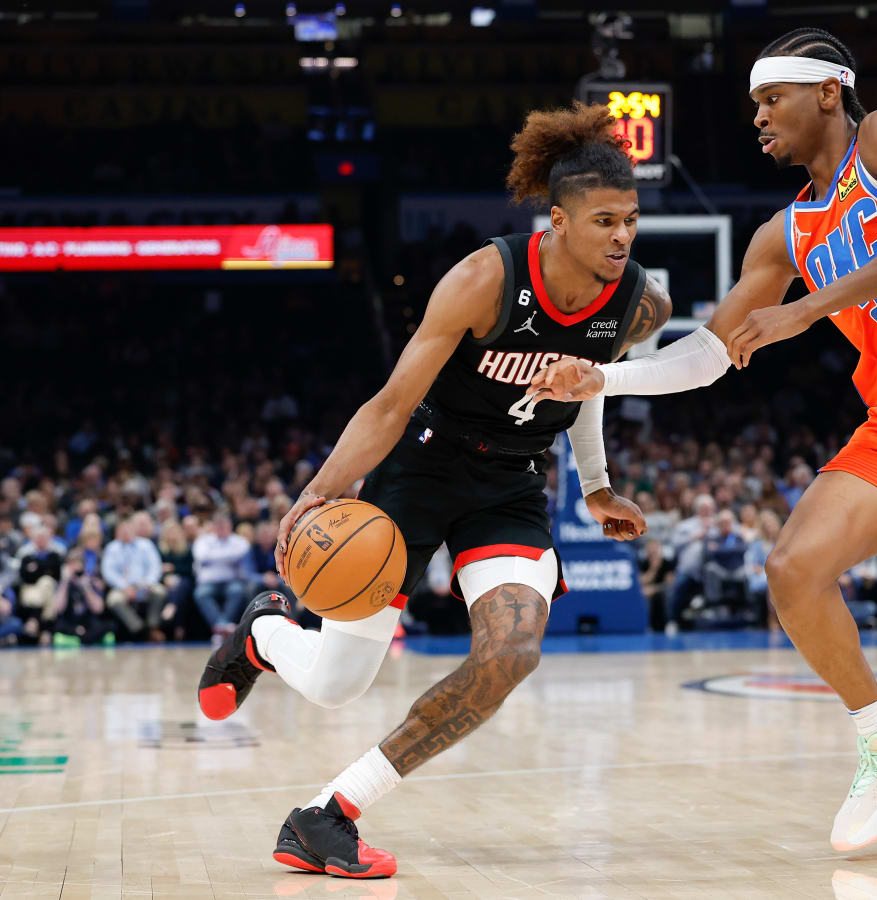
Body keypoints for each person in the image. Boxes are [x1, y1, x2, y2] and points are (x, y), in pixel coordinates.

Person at [530, 27, 877, 855]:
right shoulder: (783, 236)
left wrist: (808, 311)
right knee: (793, 569)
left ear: (825, 92)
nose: (758, 117)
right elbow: (710, 354)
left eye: (770, 99)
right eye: (752, 106)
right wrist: (607, 379)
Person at [196, 103, 668, 878]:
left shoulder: (639, 303)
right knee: (338, 685)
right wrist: (317, 492)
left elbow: (590, 385)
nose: (622, 236)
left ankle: (327, 814)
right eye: (605, 220)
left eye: (632, 220)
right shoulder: (485, 279)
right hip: (422, 463)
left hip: (511, 482)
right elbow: (388, 404)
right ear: (556, 221)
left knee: (512, 652)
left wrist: (598, 486)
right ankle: (266, 634)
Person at [100, 517, 168, 640]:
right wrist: (124, 586)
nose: (125, 532)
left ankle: (153, 627)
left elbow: (155, 567)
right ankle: (139, 629)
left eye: (128, 529)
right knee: (113, 600)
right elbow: (108, 572)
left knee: (160, 591)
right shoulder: (112, 548)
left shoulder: (146, 544)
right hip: (122, 588)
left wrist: (146, 583)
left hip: (146, 585)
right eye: (122, 530)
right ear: (117, 532)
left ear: (134, 530)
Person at [191, 512, 250, 636]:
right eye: (219, 526)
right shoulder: (203, 540)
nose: (222, 529)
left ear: (230, 526)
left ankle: (220, 629)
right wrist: (229, 559)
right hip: (209, 582)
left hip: (232, 581)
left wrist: (212, 559)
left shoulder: (239, 541)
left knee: (237, 591)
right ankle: (223, 627)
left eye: (225, 526)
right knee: (201, 594)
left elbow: (242, 553)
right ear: (214, 527)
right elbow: (201, 557)